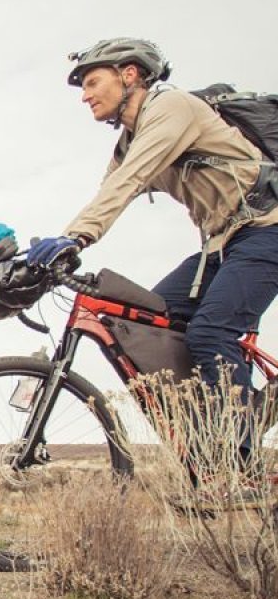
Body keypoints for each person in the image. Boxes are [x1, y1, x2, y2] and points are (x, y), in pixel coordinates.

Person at [26, 38, 278, 476]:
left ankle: (239, 461)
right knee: (148, 319)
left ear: (129, 75)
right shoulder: (128, 143)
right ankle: (204, 435)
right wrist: (41, 259)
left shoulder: (171, 109)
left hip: (267, 230)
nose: (85, 96)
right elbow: (110, 192)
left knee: (211, 331)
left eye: (92, 82)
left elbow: (131, 178)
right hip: (221, 245)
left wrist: (76, 238)